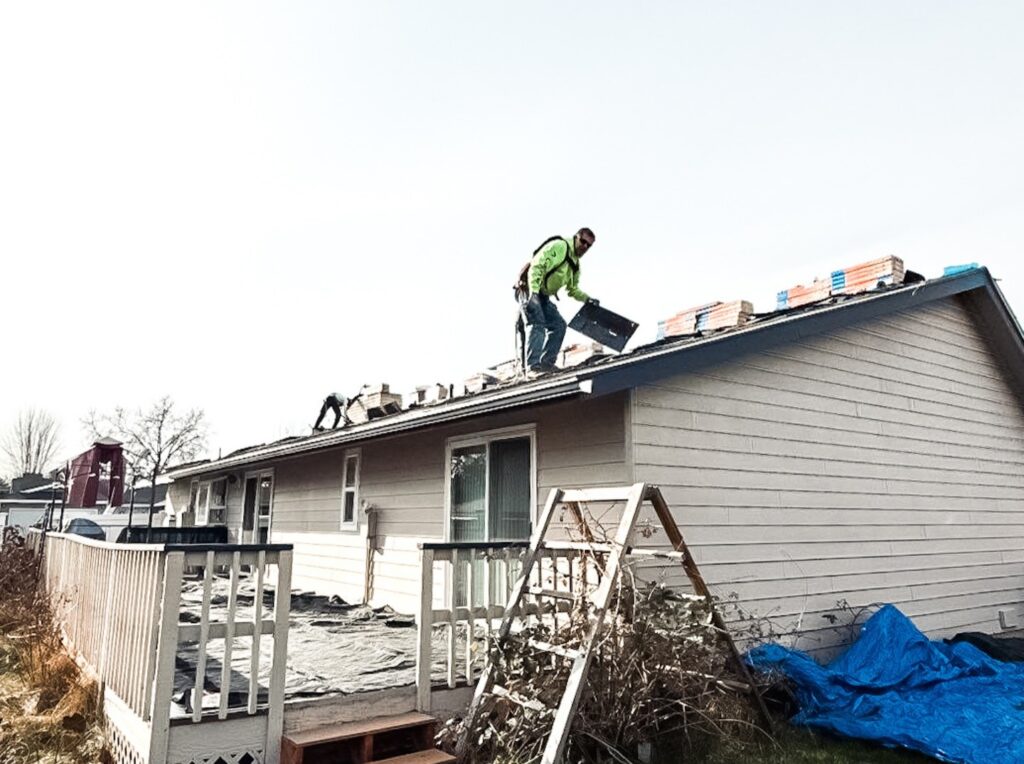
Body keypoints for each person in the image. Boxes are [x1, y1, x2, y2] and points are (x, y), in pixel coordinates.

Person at [520, 227, 598, 375]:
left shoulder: (575, 266)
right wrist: (534, 294)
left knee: (559, 325)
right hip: (531, 291)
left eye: (589, 245)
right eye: (583, 242)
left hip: (543, 297)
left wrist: (587, 299)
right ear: (576, 237)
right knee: (537, 323)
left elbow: (573, 290)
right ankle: (533, 367)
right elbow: (536, 266)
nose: (585, 247)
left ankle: (546, 364)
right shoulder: (560, 246)